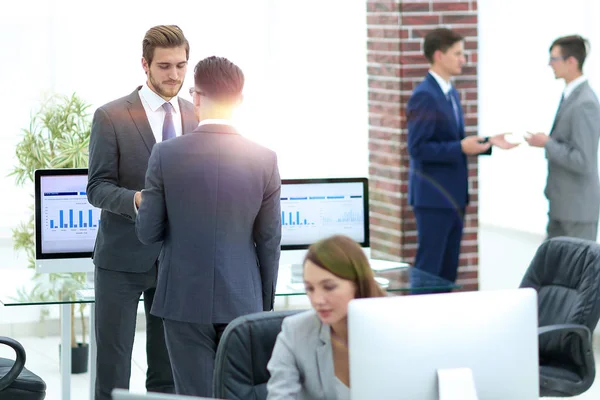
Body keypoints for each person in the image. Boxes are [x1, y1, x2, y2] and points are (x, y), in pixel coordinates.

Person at [135, 55, 282, 397]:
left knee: (194, 394)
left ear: (196, 96)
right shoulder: (265, 158)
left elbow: (148, 233)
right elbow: (270, 241)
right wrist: (263, 304)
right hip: (243, 300)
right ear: (241, 100)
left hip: (183, 299)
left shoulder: (165, 154)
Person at [86, 25, 197, 399]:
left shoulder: (195, 116)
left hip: (174, 260)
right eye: (165, 66)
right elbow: (97, 188)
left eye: (181, 66)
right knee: (113, 372)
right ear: (145, 65)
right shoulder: (111, 116)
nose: (175, 76)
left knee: (167, 372)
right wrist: (135, 200)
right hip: (121, 261)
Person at [406, 28, 517, 285]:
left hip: (453, 197)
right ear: (438, 56)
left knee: (447, 273)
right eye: (457, 54)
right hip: (434, 200)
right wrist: (460, 147)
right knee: (429, 270)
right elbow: (417, 148)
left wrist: (487, 143)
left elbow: (453, 141)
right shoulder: (425, 95)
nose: (463, 59)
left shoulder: (450, 93)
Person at [266, 235, 385, 400]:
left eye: (329, 287)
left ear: (357, 284)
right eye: (310, 288)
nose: (317, 300)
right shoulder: (296, 332)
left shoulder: (393, 330)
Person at [525, 35, 600, 241]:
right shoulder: (570, 95)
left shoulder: (585, 103)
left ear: (572, 62)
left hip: (577, 212)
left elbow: (583, 160)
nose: (550, 65)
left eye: (554, 59)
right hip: (561, 207)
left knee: (577, 272)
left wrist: (547, 143)